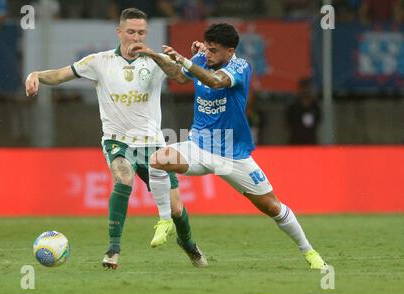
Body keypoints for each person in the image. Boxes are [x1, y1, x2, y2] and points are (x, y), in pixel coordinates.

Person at [132, 23, 327, 269]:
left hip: (232, 156)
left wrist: (184, 59)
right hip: (199, 147)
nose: (208, 54)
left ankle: (309, 252)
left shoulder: (240, 67)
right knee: (158, 161)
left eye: (214, 50)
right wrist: (153, 55)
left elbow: (215, 82)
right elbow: (180, 76)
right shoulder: (202, 58)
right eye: (208, 49)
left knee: (272, 207)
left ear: (230, 51)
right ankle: (164, 221)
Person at [25, 8, 207, 269]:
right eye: (131, 32)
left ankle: (188, 245)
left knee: (176, 209)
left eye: (141, 32)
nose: (136, 37)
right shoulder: (99, 61)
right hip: (117, 140)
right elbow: (61, 74)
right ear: (119, 32)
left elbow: (180, 78)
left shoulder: (155, 61)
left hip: (152, 143)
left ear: (147, 33)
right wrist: (36, 75)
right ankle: (113, 250)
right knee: (123, 176)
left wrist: (156, 56)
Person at [286, 78, 321, 145]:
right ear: (299, 90)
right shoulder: (293, 106)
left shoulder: (314, 106)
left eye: (307, 88)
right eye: (303, 88)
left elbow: (318, 120)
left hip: (311, 141)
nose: (305, 91)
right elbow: (289, 122)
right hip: (296, 141)